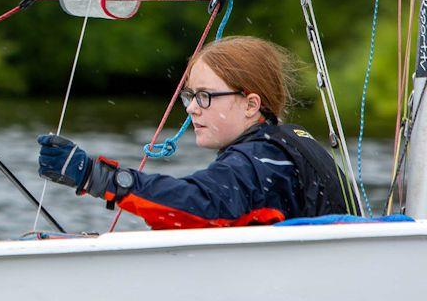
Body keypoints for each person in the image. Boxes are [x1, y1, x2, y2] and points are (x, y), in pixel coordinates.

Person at [37, 36, 358, 229]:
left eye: (205, 96)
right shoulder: (287, 146)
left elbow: (196, 204)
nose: (191, 109)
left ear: (250, 105)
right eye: (190, 97)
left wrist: (97, 178)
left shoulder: (263, 160)